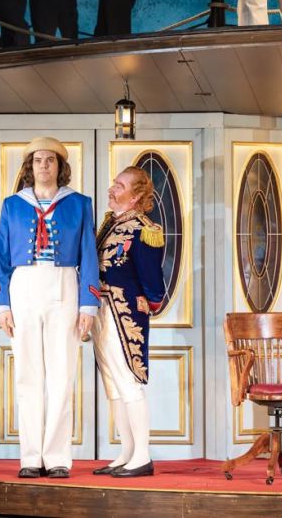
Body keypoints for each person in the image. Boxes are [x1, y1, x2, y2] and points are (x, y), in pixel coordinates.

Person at [0, 137, 100, 479]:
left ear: (59, 166)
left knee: (61, 376)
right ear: (30, 166)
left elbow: (88, 255)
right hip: (23, 286)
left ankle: (56, 458)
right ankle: (30, 457)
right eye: (38, 160)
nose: (43, 166)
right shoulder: (12, 205)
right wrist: (1, 303)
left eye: (50, 160)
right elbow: (2, 257)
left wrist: (88, 304)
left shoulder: (79, 203)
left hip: (64, 284)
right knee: (27, 377)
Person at [92, 166, 165, 478]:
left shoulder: (144, 229)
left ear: (135, 197)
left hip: (125, 314)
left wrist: (148, 305)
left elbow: (153, 282)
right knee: (113, 385)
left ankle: (143, 456)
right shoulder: (110, 223)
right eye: (114, 183)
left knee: (128, 382)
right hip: (101, 309)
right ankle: (127, 451)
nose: (112, 189)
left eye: (119, 186)